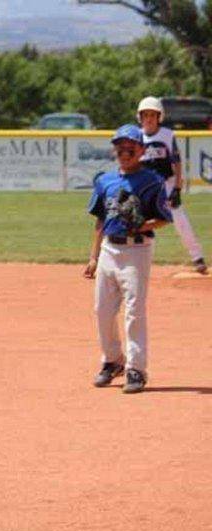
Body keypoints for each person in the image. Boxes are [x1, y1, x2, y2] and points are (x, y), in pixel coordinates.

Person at [84, 124, 173, 394]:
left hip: (137, 251)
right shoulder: (105, 181)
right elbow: (100, 220)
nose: (124, 151)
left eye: (130, 147)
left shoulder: (152, 182)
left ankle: (136, 369)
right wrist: (93, 257)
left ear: (141, 150)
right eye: (119, 147)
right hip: (109, 251)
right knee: (102, 310)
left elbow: (164, 219)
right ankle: (113, 361)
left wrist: (141, 225)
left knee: (134, 313)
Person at [136, 96, 207, 274]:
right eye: (146, 115)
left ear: (160, 116)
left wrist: (176, 188)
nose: (149, 118)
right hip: (146, 188)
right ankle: (138, 261)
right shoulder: (137, 137)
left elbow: (177, 162)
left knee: (180, 220)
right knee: (140, 223)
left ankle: (197, 257)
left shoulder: (167, 135)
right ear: (140, 117)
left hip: (166, 185)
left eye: (153, 114)